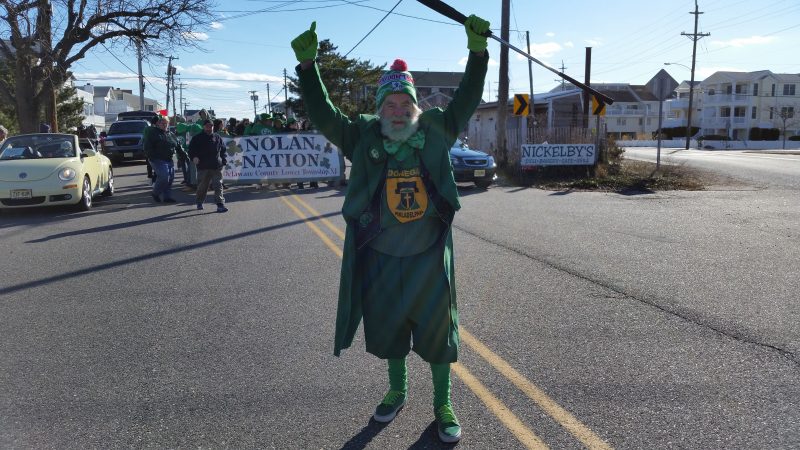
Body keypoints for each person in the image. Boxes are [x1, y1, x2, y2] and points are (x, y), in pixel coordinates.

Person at [291, 15, 489, 444]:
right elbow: (325, 116)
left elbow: (469, 98)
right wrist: (309, 71)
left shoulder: (437, 131)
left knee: (439, 336)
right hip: (381, 258)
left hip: (428, 257)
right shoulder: (363, 137)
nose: (398, 113)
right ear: (379, 109)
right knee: (390, 330)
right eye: (389, 106)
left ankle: (443, 403)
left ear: (416, 108)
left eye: (405, 105)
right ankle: (397, 390)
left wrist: (477, 55)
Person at [188, 119, 228, 213]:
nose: (209, 128)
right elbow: (191, 150)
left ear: (213, 127)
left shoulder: (217, 137)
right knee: (202, 186)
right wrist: (194, 157)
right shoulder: (197, 138)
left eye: (211, 126)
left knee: (218, 185)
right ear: (203, 126)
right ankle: (199, 201)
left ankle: (220, 204)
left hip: (216, 166)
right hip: (203, 166)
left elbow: (223, 150)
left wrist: (223, 160)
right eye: (207, 126)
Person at [143, 116, 183, 203]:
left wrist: (184, 156)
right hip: (157, 159)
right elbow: (147, 147)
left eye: (166, 123)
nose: (164, 125)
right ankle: (155, 193)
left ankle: (167, 197)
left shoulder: (171, 134)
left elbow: (178, 146)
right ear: (158, 124)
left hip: (169, 159)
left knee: (170, 178)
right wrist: (151, 156)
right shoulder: (153, 133)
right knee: (164, 176)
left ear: (168, 124)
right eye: (162, 123)